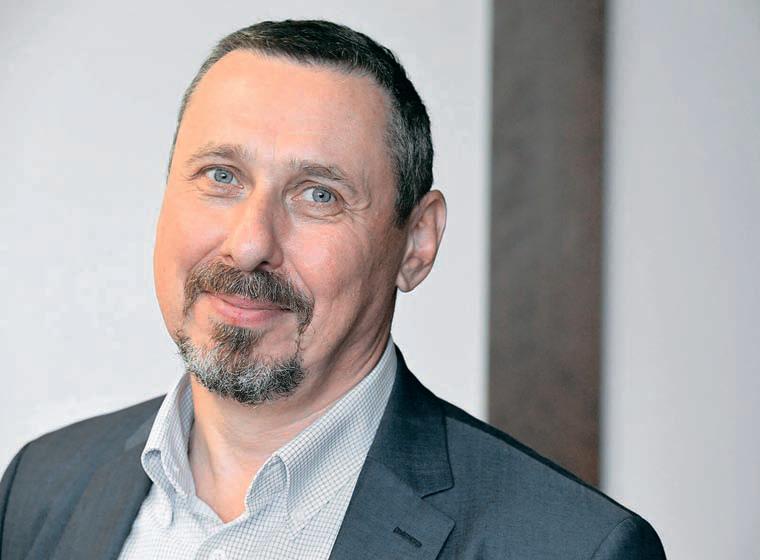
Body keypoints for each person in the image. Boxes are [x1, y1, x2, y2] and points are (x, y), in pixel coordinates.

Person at [0, 20, 665, 559]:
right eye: (221, 176)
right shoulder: (39, 489)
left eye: (318, 194)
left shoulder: (572, 547)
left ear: (417, 243)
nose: (250, 243)